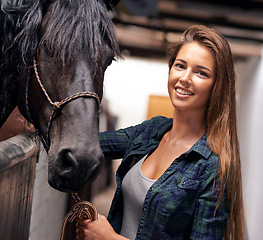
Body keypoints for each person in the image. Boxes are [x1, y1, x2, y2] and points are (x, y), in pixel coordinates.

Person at [76, 25, 244, 240]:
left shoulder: (213, 167)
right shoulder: (150, 131)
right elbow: (88, 144)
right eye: (180, 66)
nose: (185, 78)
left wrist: (108, 238)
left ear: (217, 86)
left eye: (201, 72)